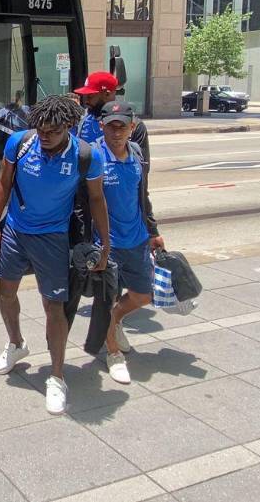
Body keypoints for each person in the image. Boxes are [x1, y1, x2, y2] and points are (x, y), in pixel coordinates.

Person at [0, 95, 111, 414]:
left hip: (53, 236)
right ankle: (16, 344)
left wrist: (105, 244)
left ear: (69, 126)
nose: (45, 136)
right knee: (5, 290)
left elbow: (97, 200)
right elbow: (3, 183)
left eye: (53, 131)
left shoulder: (87, 156)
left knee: (53, 305)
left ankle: (56, 377)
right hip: (15, 229)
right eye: (40, 129)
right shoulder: (20, 143)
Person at [95, 101, 163, 385]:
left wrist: (152, 230)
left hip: (136, 238)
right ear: (102, 126)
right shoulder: (92, 156)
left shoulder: (136, 153)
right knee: (107, 298)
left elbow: (142, 194)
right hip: (106, 243)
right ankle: (113, 353)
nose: (116, 131)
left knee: (143, 294)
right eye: (111, 125)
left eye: (122, 125)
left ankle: (114, 321)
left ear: (132, 127)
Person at [72, 71, 150, 163]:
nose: (86, 101)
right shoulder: (82, 120)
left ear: (107, 94)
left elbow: (142, 165)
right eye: (84, 96)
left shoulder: (135, 126)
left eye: (90, 96)